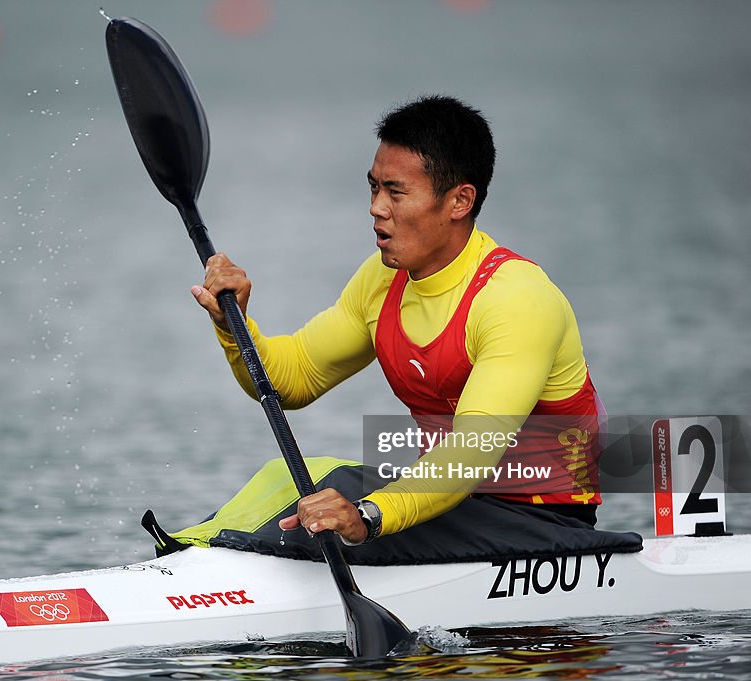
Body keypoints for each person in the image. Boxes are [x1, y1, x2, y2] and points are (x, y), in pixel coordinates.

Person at [190, 95, 602, 547]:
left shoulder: (516, 299)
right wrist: (234, 325)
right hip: (449, 504)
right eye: (373, 188)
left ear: (460, 200)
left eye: (396, 191)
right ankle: (193, 552)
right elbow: (292, 378)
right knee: (289, 479)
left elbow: (470, 454)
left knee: (338, 482)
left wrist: (368, 515)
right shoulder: (382, 279)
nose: (376, 208)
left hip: (546, 524)